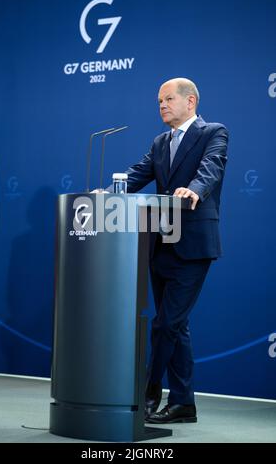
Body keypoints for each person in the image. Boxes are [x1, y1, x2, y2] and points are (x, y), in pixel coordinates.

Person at [105, 77, 228, 424]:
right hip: (160, 244)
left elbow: (211, 168)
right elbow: (137, 173)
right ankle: (184, 403)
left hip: (193, 244)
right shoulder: (161, 141)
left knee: (165, 325)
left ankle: (147, 392)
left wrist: (194, 190)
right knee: (177, 327)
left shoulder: (213, 132)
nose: (161, 105)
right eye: (159, 100)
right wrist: (107, 193)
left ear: (190, 102)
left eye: (168, 99)